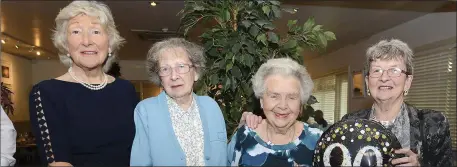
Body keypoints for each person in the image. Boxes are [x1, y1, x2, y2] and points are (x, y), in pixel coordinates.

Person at [28, 1, 138, 166]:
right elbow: (59, 162)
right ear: (65, 44)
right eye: (76, 31)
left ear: (109, 43)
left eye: (95, 31)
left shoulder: (126, 90)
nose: (87, 41)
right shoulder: (46, 93)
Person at [340, 39, 453, 166]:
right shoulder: (349, 123)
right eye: (377, 70)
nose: (384, 78)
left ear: (407, 82)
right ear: (367, 82)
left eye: (394, 70)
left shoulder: (434, 124)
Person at [130, 38, 227, 166]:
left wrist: (245, 129)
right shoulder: (146, 111)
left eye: (181, 66)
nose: (174, 76)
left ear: (196, 73)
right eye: (165, 69)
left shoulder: (211, 106)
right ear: (159, 77)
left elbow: (225, 157)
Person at [227, 58, 322, 166]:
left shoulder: (318, 141)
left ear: (300, 103)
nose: (282, 105)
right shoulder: (243, 137)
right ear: (262, 101)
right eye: (274, 96)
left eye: (292, 97)